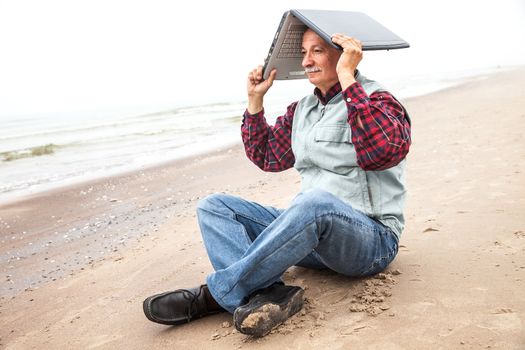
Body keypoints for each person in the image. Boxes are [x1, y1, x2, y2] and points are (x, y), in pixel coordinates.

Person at [143, 28, 411, 337]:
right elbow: (268, 156)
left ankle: (213, 295)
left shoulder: (377, 99)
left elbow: (384, 151)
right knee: (215, 207)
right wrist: (255, 101)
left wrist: (348, 78)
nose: (307, 61)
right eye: (303, 53)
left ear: (344, 54)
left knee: (314, 203)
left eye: (318, 51)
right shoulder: (303, 110)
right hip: (314, 240)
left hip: (369, 241)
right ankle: (271, 294)